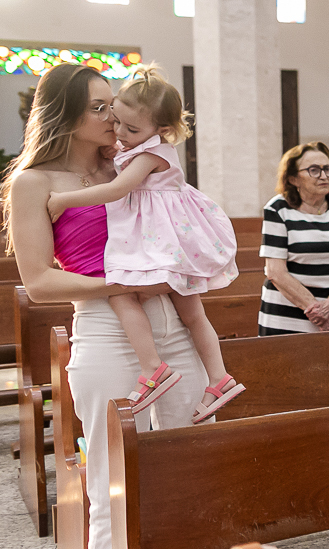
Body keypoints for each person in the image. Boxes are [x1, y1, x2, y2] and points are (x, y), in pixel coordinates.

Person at [4, 63, 217, 549]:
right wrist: (118, 284)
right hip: (104, 330)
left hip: (172, 325)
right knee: (109, 484)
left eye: (113, 106)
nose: (112, 116)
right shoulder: (34, 183)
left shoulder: (128, 162)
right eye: (99, 108)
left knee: (191, 461)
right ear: (66, 115)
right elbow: (40, 280)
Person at [47, 64, 244, 422]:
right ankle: (218, 377)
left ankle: (162, 369)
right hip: (165, 244)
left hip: (165, 243)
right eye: (107, 113)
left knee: (146, 300)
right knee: (188, 312)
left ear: (162, 129)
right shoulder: (134, 149)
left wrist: (64, 200)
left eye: (128, 125)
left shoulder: (150, 153)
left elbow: (119, 190)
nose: (116, 128)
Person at [258, 141, 329, 335]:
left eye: (327, 169)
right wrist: (316, 311)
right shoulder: (278, 210)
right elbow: (276, 272)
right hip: (286, 318)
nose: (324, 176)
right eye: (314, 170)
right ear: (293, 179)